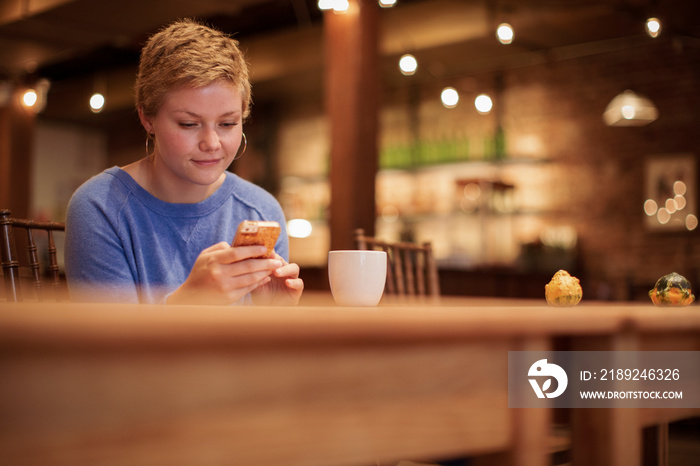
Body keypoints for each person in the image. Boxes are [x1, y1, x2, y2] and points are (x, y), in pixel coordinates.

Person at [65, 19, 303, 305]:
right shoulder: (100, 206)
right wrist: (190, 302)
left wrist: (274, 317)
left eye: (228, 123)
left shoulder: (261, 210)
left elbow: (260, 347)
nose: (212, 143)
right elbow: (106, 346)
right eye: (189, 124)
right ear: (147, 118)